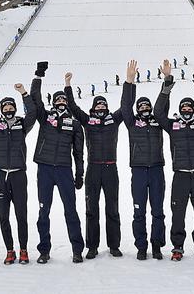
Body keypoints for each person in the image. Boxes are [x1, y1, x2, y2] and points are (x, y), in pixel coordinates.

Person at [154, 59, 194, 261]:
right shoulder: (172, 126)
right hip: (180, 176)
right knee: (177, 213)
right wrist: (166, 88)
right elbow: (157, 113)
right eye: (184, 107)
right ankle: (177, 246)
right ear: (180, 109)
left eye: (190, 107)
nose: (187, 110)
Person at [30, 61, 85, 264]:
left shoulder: (75, 124)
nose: (61, 102)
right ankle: (44, 250)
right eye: (58, 100)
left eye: (64, 100)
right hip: (44, 169)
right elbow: (35, 98)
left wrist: (80, 174)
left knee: (70, 210)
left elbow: (79, 153)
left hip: (64, 170)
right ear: (53, 103)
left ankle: (77, 249)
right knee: (43, 210)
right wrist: (38, 75)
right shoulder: (45, 118)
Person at [65, 72, 124, 259]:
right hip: (93, 169)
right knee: (91, 209)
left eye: (104, 104)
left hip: (111, 168)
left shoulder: (113, 120)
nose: (101, 106)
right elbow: (72, 107)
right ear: (93, 107)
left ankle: (114, 245)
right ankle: (92, 246)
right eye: (98, 104)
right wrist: (67, 84)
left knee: (112, 208)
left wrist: (129, 81)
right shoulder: (87, 121)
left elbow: (127, 106)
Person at [0, 83, 37, 265]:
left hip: (19, 175)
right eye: (5, 107)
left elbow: (33, 113)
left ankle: (24, 250)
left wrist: (23, 93)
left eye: (11, 107)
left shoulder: (22, 124)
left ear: (15, 109)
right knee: (3, 216)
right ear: (2, 110)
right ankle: (10, 250)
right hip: (1, 176)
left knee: (21, 215)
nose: (9, 110)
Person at [121, 60, 166, 260]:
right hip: (138, 171)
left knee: (158, 211)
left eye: (147, 104)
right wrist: (130, 81)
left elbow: (163, 105)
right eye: (142, 105)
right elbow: (125, 106)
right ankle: (141, 246)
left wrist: (167, 79)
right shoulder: (132, 122)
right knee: (139, 211)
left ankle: (157, 246)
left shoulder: (158, 121)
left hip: (156, 170)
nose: (145, 107)